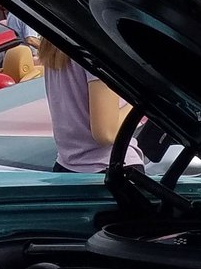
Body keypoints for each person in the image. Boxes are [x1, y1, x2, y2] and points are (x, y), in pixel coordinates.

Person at [35, 37, 131, 173]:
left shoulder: (54, 43)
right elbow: (107, 133)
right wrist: (139, 103)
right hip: (109, 168)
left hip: (67, 166)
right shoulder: (97, 47)